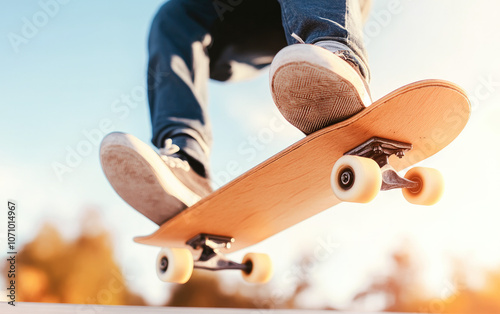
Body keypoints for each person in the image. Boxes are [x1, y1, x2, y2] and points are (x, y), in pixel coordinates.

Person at [100, 0, 372, 225]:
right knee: (173, 18)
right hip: (251, 16)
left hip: (323, 8)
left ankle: (336, 54)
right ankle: (186, 163)